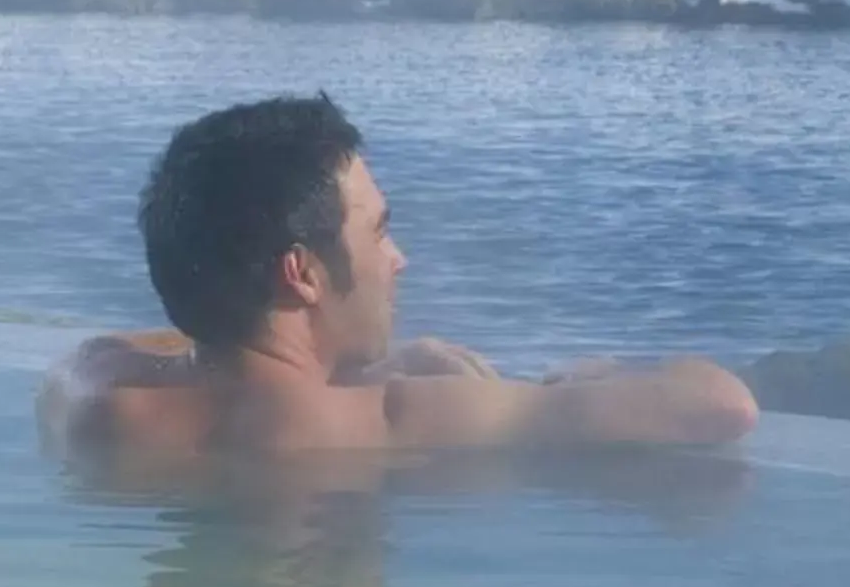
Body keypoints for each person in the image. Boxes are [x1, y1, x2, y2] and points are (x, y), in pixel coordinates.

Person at [41, 93, 757, 460]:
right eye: (378, 231)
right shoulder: (393, 417)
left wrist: (341, 369)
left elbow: (180, 345)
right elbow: (720, 408)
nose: (398, 258)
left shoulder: (95, 395)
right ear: (303, 274)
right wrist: (592, 374)